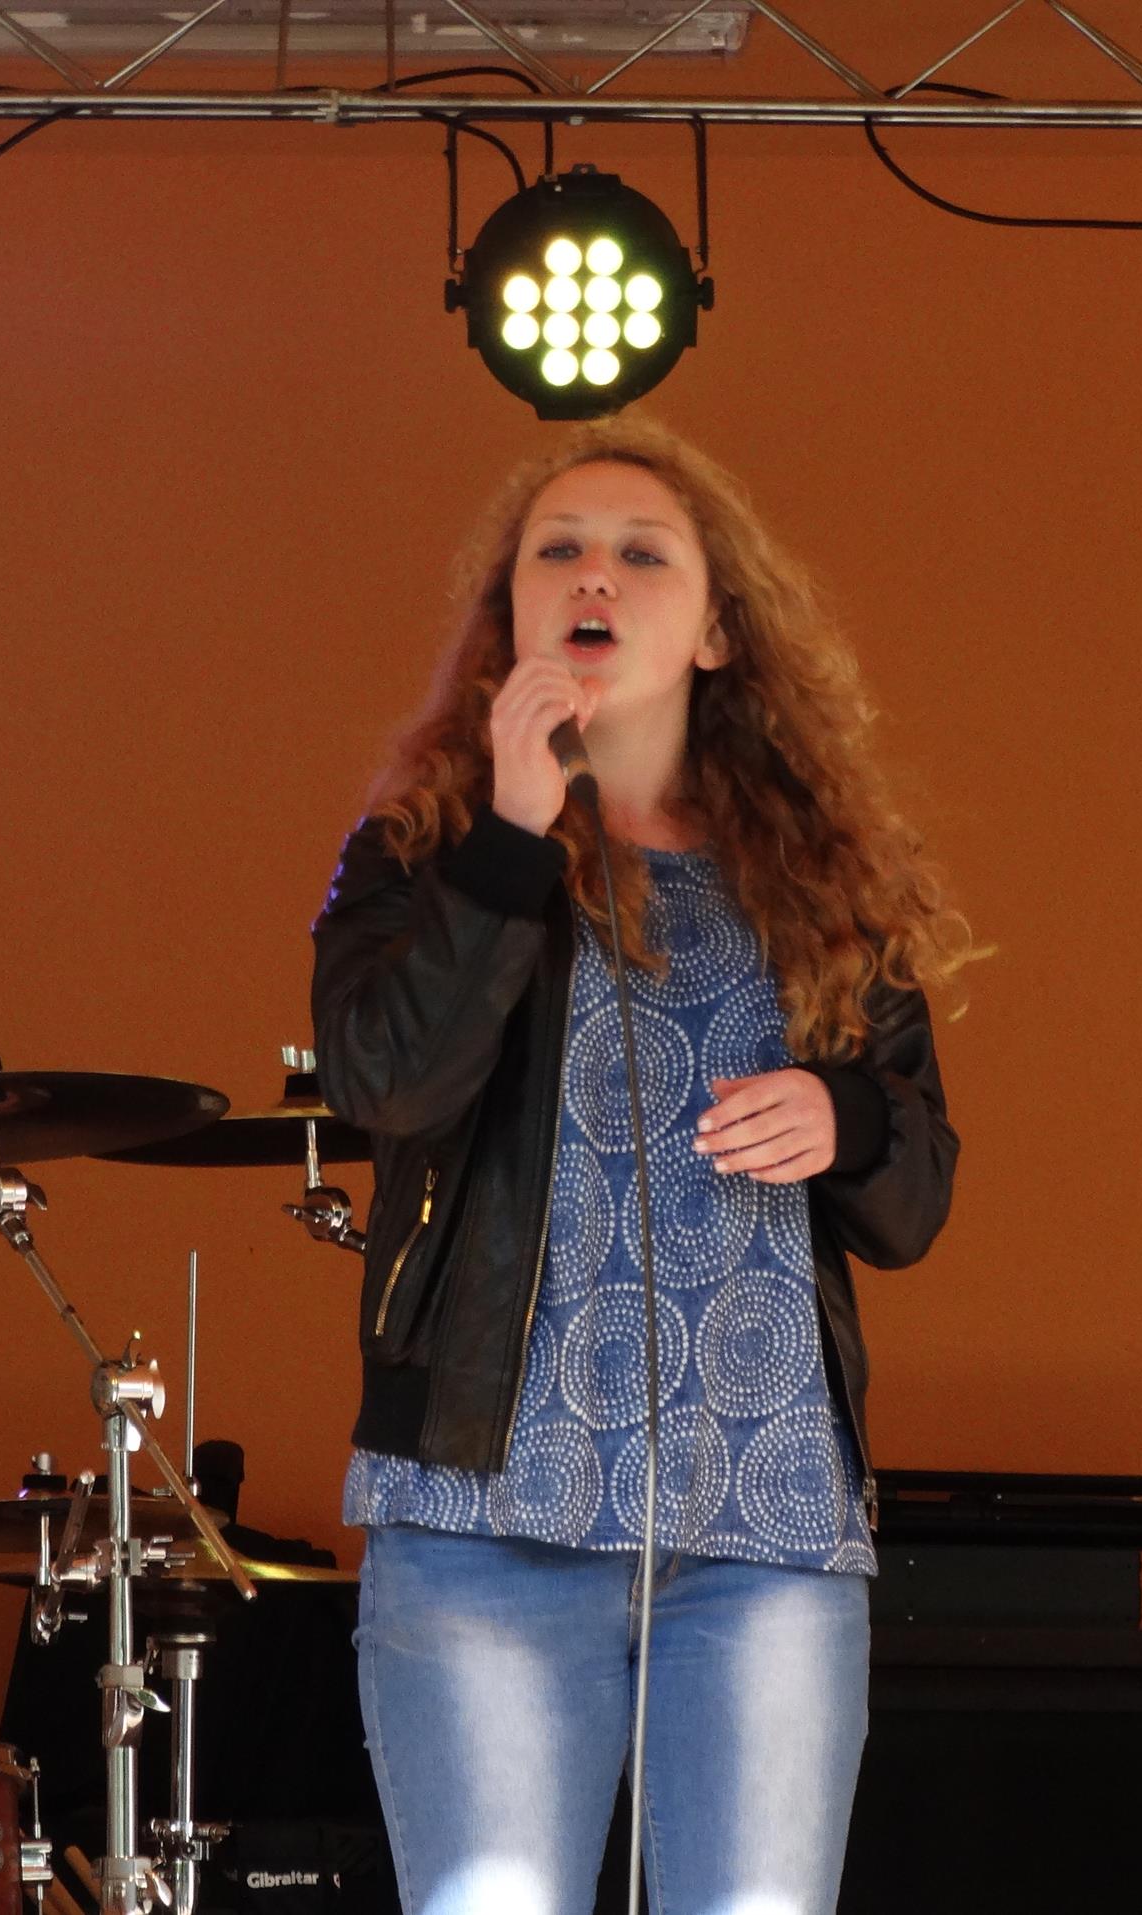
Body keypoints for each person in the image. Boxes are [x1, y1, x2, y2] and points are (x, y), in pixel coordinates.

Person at [308, 415, 968, 1915]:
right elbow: (387, 1080)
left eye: (641, 553)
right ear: (513, 614)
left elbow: (915, 1190)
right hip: (484, 1518)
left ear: (720, 630)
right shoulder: (421, 853)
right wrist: (512, 834)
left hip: (764, 1525)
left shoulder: (819, 892)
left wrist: (847, 1118)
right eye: (558, 550)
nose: (593, 573)